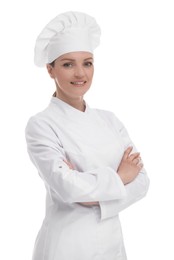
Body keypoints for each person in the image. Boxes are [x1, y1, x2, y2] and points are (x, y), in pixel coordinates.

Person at [25, 11, 150, 260]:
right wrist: (120, 176)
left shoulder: (110, 120)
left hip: (112, 245)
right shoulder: (41, 125)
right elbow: (68, 188)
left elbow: (143, 181)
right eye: (68, 64)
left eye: (87, 63)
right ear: (51, 70)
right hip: (66, 247)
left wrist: (91, 196)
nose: (80, 74)